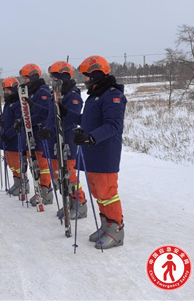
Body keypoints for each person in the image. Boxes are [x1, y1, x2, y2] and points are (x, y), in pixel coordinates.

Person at [72, 55, 127, 249]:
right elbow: (88, 120)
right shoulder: (95, 96)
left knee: (107, 192)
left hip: (105, 152)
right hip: (91, 151)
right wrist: (66, 113)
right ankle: (106, 225)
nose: (85, 79)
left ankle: (116, 228)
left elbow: (113, 125)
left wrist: (91, 137)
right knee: (97, 192)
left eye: (87, 76)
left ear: (96, 74)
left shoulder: (112, 95)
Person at [36, 61, 87, 219]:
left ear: (63, 76)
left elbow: (70, 120)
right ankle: (69, 203)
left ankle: (80, 203)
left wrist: (51, 130)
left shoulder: (72, 95)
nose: (52, 79)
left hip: (67, 141)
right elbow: (52, 116)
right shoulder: (55, 93)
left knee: (69, 175)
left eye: (55, 76)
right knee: (58, 175)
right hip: (54, 141)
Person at [18, 63, 53, 206]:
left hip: (39, 133)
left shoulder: (42, 91)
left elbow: (44, 114)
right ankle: (39, 189)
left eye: (26, 78)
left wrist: (28, 122)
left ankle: (46, 191)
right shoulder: (31, 91)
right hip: (30, 132)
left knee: (42, 164)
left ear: (32, 76)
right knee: (34, 164)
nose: (24, 81)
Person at [0, 76, 28, 196]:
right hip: (7, 139)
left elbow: (18, 123)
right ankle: (17, 182)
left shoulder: (18, 103)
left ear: (14, 89)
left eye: (8, 90)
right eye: (5, 90)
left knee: (17, 163)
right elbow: (8, 119)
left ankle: (23, 183)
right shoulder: (8, 103)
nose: (6, 92)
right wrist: (1, 120)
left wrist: (8, 135)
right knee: (10, 163)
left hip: (15, 139)